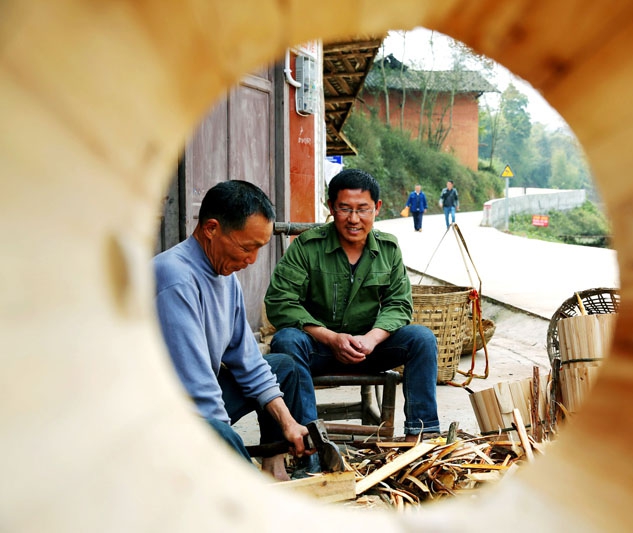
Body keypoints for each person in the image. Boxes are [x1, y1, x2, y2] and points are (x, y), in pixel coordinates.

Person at [153, 180, 318, 480]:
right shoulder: (175, 277)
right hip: (158, 411)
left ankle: (275, 467)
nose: (251, 260)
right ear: (211, 229)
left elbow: (249, 361)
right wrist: (224, 445)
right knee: (220, 436)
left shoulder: (226, 277)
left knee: (283, 367)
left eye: (258, 249)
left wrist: (288, 422)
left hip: (195, 395)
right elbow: (195, 389)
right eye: (246, 248)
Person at [265, 169, 441, 441]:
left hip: (368, 350)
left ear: (377, 208)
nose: (354, 219)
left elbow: (399, 304)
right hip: (318, 349)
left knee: (422, 338)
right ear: (331, 207)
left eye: (363, 209)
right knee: (286, 340)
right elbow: (280, 301)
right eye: (345, 208)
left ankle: (422, 436)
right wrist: (331, 338)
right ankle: (311, 439)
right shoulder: (306, 247)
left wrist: (371, 339)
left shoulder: (388, 249)